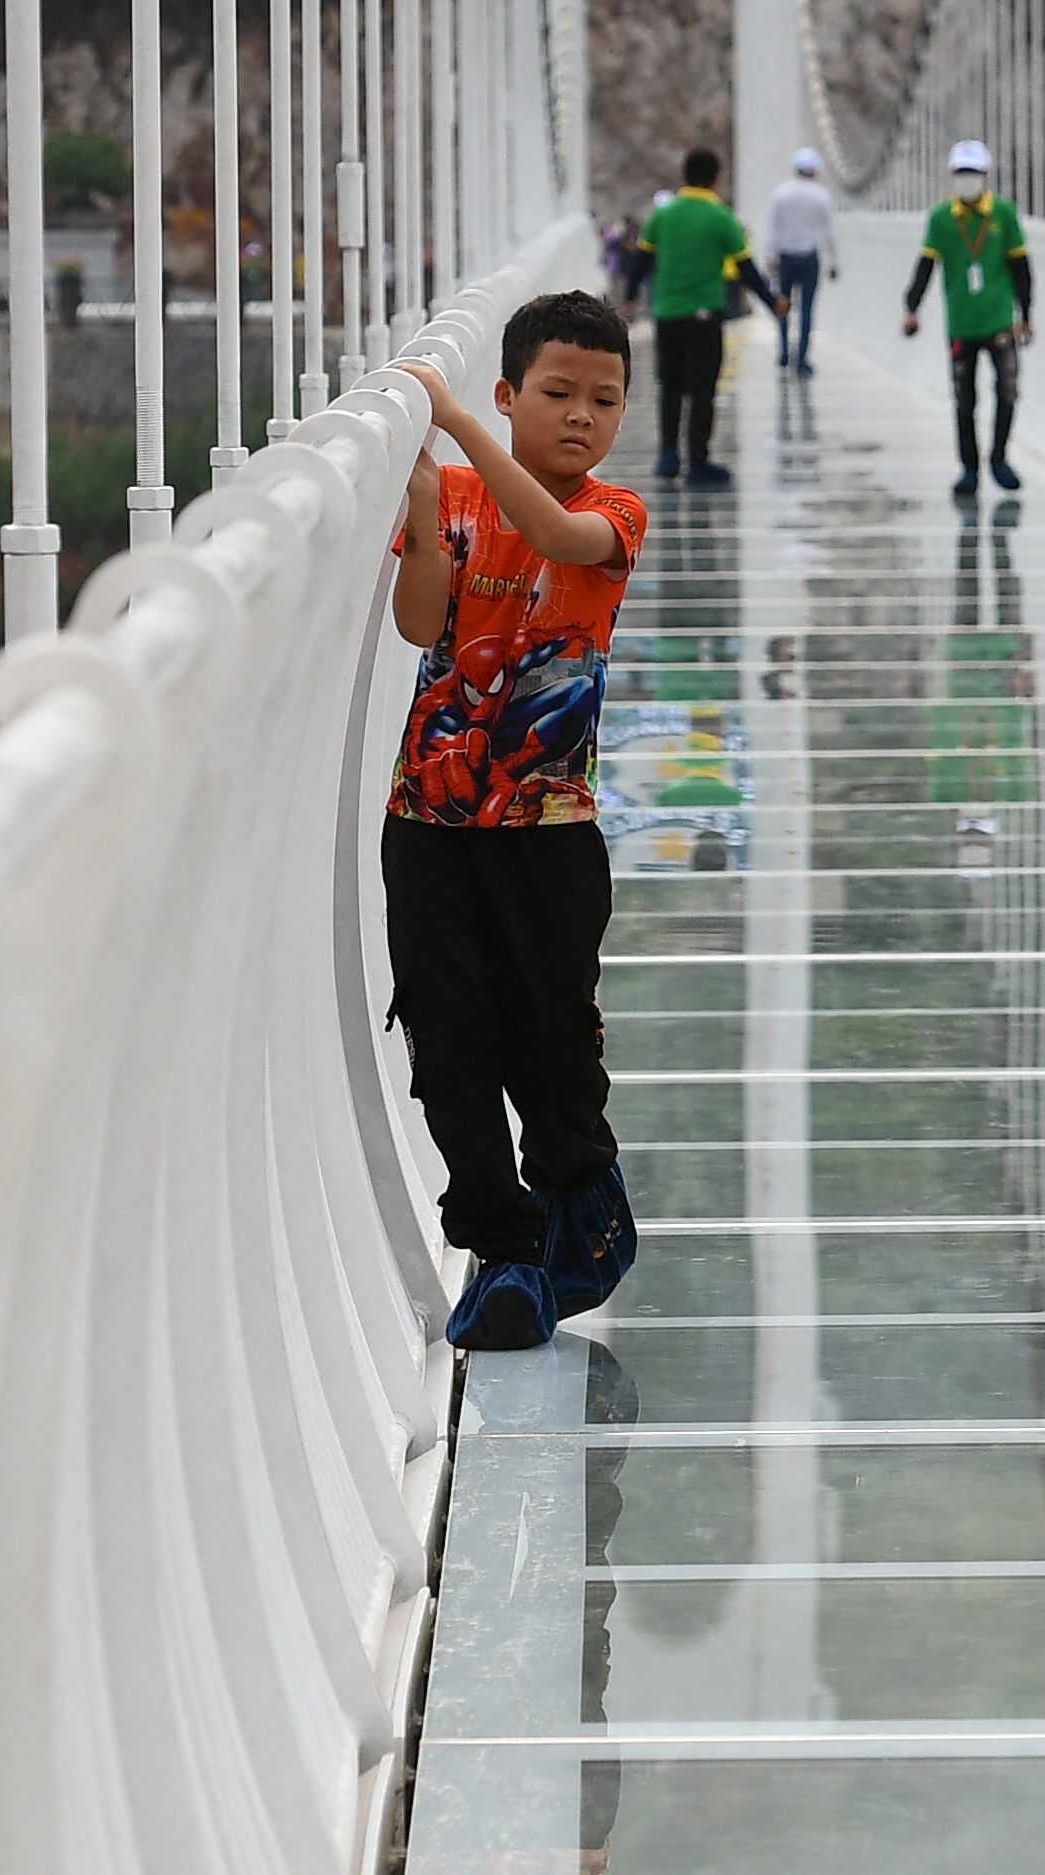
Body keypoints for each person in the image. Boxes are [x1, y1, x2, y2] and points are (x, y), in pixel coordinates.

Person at [386, 291, 649, 1354]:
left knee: (549, 1038)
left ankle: (581, 1194)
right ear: (511, 394)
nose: (580, 416)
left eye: (604, 399)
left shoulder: (617, 514)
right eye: (556, 393)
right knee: (449, 1038)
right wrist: (416, 503)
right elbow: (417, 620)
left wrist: (453, 427)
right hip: (430, 818)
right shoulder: (449, 496)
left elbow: (550, 528)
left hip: (549, 831)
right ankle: (500, 1251)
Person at [632, 147, 778, 486]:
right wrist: (774, 304)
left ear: (684, 176)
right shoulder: (722, 218)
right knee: (702, 389)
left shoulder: (662, 216)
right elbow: (747, 271)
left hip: (666, 315)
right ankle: (698, 462)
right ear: (716, 178)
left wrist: (627, 296)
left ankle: (667, 456)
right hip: (705, 318)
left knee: (668, 384)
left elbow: (640, 261)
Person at [901, 139, 1032, 501]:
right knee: (963, 398)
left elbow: (1021, 267)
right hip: (961, 323)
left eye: (972, 173)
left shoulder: (1004, 214)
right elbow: (925, 266)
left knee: (1007, 388)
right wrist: (911, 308)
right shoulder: (942, 218)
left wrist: (1026, 314)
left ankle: (1000, 458)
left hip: (1000, 320)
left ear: (985, 176)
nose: (967, 179)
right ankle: (970, 467)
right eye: (961, 173)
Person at [762, 147, 837, 378]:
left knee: (782, 304)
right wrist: (834, 260)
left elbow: (773, 228)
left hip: (785, 257)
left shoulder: (781, 194)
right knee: (806, 308)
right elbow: (828, 232)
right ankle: (802, 359)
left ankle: (784, 351)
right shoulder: (821, 195)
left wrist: (770, 257)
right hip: (808, 257)